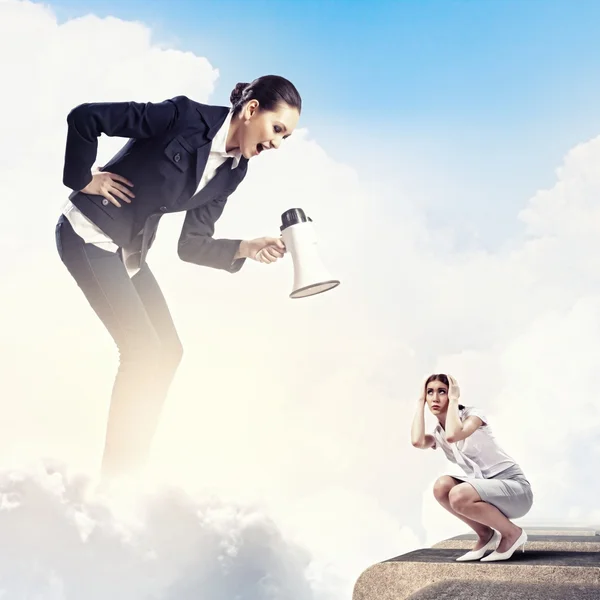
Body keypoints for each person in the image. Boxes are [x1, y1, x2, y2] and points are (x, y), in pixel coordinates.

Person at [56, 75, 301, 479]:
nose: (276, 143)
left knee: (168, 351)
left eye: (285, 138)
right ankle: (117, 478)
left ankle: (133, 465)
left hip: (127, 250)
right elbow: (85, 118)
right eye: (277, 130)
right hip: (88, 234)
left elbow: (192, 246)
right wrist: (83, 179)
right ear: (252, 109)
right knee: (142, 352)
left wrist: (245, 247)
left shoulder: (233, 172)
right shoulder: (183, 116)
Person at [411, 373, 533, 562]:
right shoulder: (438, 433)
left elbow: (454, 434)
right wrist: (419, 402)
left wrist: (454, 400)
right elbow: (417, 441)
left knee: (458, 494)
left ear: (451, 393)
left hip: (515, 491)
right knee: (441, 487)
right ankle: (485, 534)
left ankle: (512, 533)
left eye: (442, 392)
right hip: (486, 492)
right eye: (430, 393)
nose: (435, 398)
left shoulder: (473, 416)